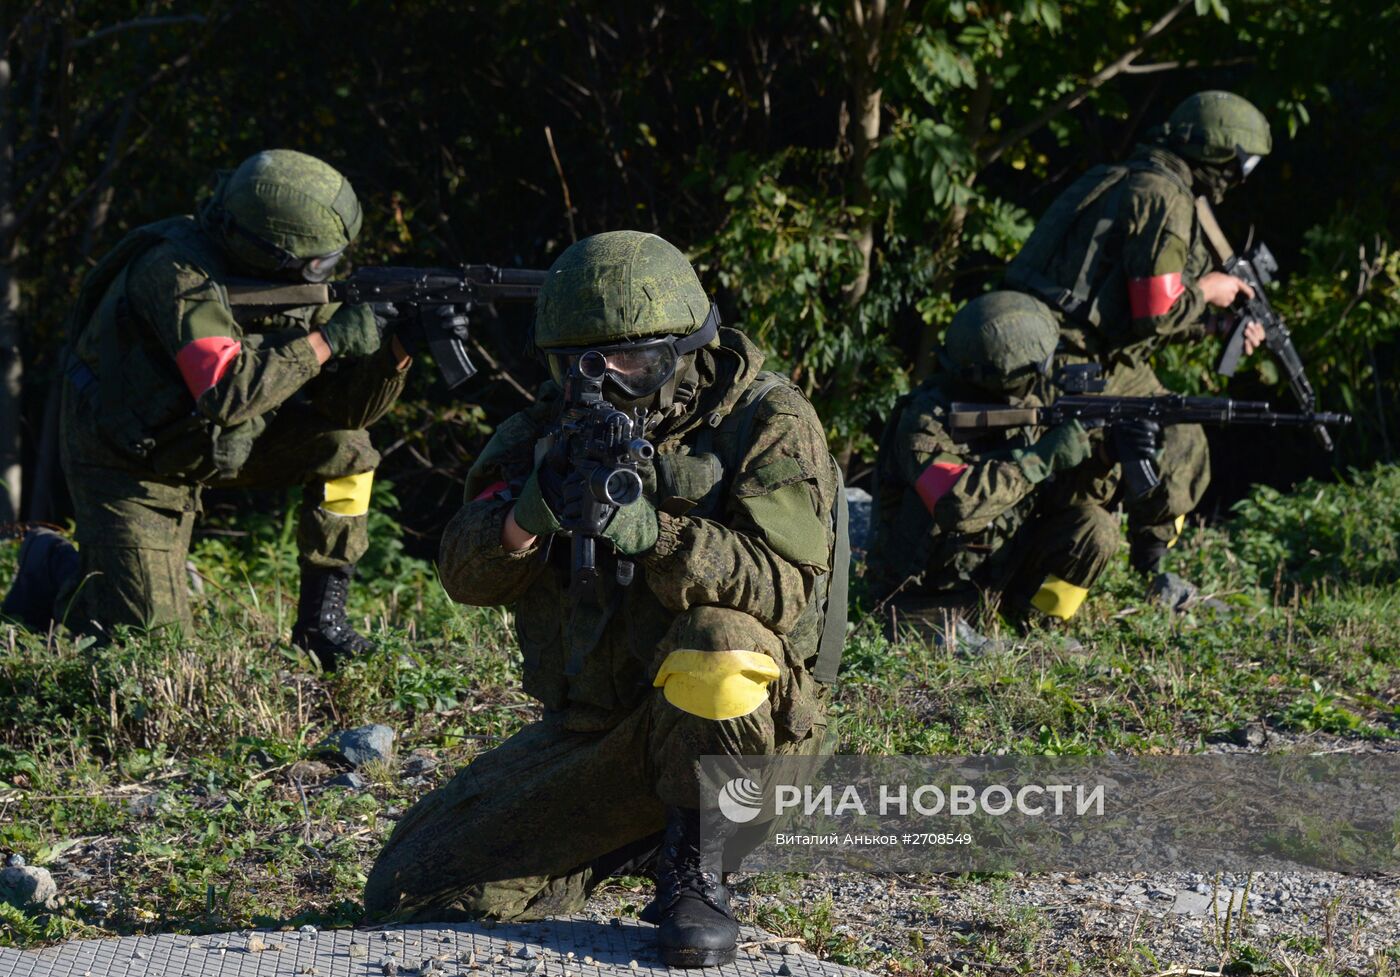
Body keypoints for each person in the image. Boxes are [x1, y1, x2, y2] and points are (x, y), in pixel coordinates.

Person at [363, 230, 845, 968]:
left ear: (686, 349)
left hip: (748, 744)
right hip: (603, 735)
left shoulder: (765, 420)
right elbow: (466, 575)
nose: (607, 381)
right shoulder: (542, 432)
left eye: (637, 362)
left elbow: (786, 586)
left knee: (720, 638)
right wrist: (529, 515)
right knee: (407, 890)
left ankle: (696, 865)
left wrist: (656, 534)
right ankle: (619, 843)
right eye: (582, 364)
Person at [1, 149, 410, 669]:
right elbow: (226, 393)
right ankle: (54, 567)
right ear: (266, 250)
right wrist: (327, 339)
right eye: (319, 264)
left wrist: (397, 351)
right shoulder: (174, 273)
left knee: (348, 451)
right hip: (127, 460)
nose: (328, 273)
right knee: (153, 657)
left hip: (211, 440)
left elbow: (347, 412)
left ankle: (320, 626)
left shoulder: (279, 276)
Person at [1004, 90, 1272, 575]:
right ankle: (1151, 571)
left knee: (1174, 431)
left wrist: (1216, 326)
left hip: (1050, 344)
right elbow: (1156, 311)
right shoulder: (1164, 196)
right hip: (1072, 360)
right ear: (1218, 152)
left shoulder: (1120, 175)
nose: (1240, 177)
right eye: (1241, 163)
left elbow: (1129, 313)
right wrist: (1209, 290)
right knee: (1183, 438)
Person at [867, 291, 1130, 642]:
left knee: (1095, 528)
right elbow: (954, 504)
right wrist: (1041, 457)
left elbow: (1062, 500)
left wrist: (1101, 459)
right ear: (1009, 375)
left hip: (1001, 578)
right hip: (920, 600)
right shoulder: (924, 421)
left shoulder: (1033, 403)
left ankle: (1038, 626)